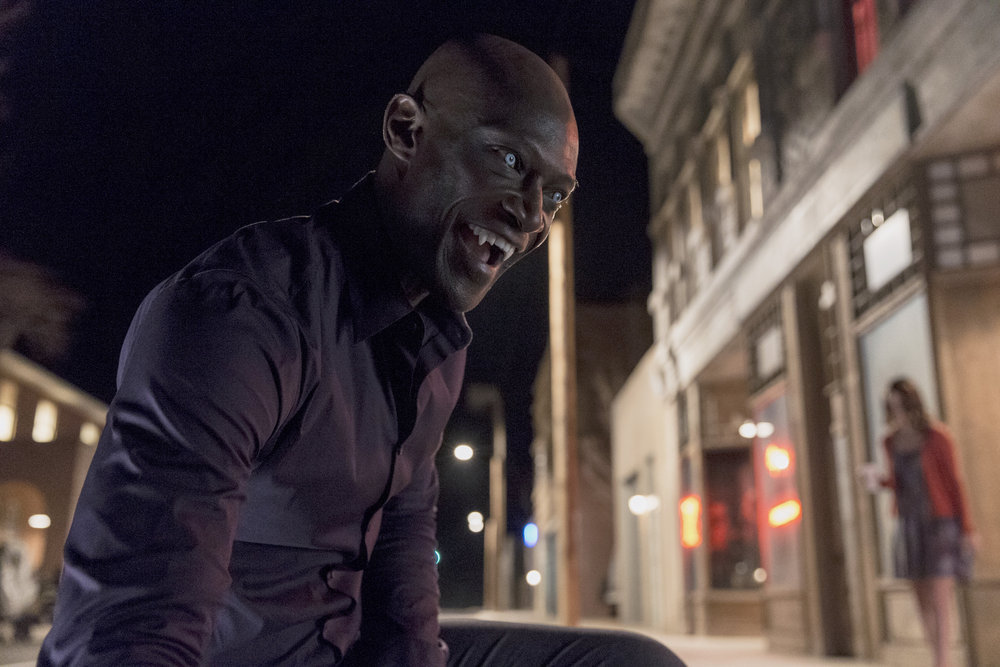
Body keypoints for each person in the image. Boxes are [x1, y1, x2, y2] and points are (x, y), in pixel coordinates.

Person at [39, 34, 683, 666]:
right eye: (510, 161)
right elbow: (130, 624)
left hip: (347, 649)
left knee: (634, 663)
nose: (533, 216)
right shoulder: (239, 316)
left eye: (557, 194)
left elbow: (404, 543)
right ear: (406, 130)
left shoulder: (437, 339)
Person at [862, 378, 976, 667]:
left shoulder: (937, 437)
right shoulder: (889, 442)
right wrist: (876, 481)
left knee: (940, 599)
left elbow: (954, 484)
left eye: (902, 406)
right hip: (909, 525)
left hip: (940, 524)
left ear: (913, 404)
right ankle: (936, 655)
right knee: (920, 597)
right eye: (892, 407)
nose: (898, 413)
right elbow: (898, 482)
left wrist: (967, 529)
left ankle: (942, 661)